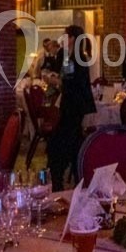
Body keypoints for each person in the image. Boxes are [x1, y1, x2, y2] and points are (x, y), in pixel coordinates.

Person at [48, 25, 95, 190]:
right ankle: (76, 180)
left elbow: (70, 83)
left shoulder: (75, 57)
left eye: (65, 36)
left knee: (59, 145)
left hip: (73, 107)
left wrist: (56, 82)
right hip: (73, 107)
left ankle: (61, 182)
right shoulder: (73, 56)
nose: (63, 39)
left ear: (72, 38)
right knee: (72, 144)